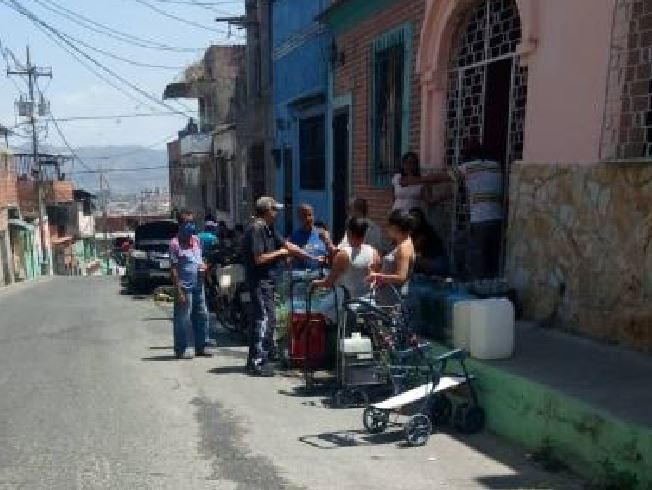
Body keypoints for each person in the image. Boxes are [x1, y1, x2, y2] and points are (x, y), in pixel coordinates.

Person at [243, 196, 321, 376]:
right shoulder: (257, 228)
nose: (276, 213)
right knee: (263, 320)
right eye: (274, 210)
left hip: (268, 281)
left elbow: (288, 246)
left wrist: (311, 258)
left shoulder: (269, 228)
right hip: (259, 280)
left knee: (269, 319)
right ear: (266, 211)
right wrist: (280, 253)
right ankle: (257, 362)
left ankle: (260, 357)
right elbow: (259, 258)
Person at [459, 138, 504, 279]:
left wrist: (417, 180)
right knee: (493, 258)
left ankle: (478, 289)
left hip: (480, 219)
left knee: (477, 260)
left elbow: (444, 177)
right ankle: (491, 287)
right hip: (498, 217)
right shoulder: (496, 165)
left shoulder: (468, 167)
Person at [169, 210, 211, 359]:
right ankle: (182, 348)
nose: (191, 225)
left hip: (199, 284)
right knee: (183, 318)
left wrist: (205, 266)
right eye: (187, 223)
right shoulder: (175, 244)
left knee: (202, 314)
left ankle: (202, 346)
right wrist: (178, 290)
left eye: (192, 222)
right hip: (184, 286)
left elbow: (201, 259)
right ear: (180, 225)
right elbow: (173, 269)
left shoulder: (197, 240)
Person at [311, 217, 380, 303]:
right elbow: (374, 277)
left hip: (348, 302)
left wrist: (314, 283)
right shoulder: (374, 252)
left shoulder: (343, 254)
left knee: (321, 309)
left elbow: (328, 282)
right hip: (368, 302)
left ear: (348, 232)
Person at [366, 209, 416, 305]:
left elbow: (401, 277)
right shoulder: (401, 245)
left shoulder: (404, 248)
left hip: (393, 301)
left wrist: (378, 277)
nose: (387, 229)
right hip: (386, 297)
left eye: (388, 226)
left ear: (395, 227)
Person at [409, 207, 449, 276]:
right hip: (430, 262)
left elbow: (413, 247)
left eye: (416, 217)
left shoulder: (425, 231)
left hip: (437, 263)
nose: (414, 219)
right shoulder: (413, 231)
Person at [290, 204, 328, 270]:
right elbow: (290, 259)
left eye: (310, 215)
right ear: (299, 218)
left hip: (320, 276)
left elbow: (330, 255)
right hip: (301, 276)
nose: (308, 218)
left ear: (313, 216)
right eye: (304, 216)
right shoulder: (294, 237)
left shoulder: (322, 234)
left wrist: (326, 259)